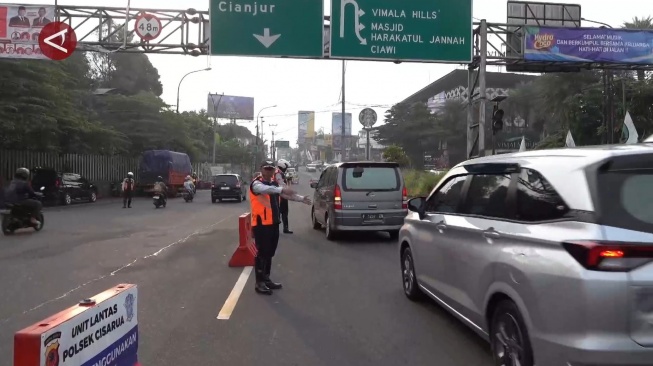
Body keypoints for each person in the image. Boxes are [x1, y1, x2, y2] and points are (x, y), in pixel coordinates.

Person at [250, 160, 311, 295]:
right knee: (262, 253)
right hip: (261, 224)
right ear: (261, 169)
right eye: (266, 168)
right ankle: (259, 283)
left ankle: (266, 279)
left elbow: (285, 195)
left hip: (273, 223)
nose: (269, 171)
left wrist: (301, 199)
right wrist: (281, 188)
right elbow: (266, 190)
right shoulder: (256, 183)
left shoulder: (274, 184)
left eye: (271, 169)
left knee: (270, 252)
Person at [275, 158, 293, 234]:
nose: (286, 169)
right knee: (279, 213)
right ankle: (277, 229)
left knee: (284, 213)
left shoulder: (280, 173)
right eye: (286, 167)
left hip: (282, 196)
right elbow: (282, 185)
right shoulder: (278, 173)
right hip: (280, 196)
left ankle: (285, 228)